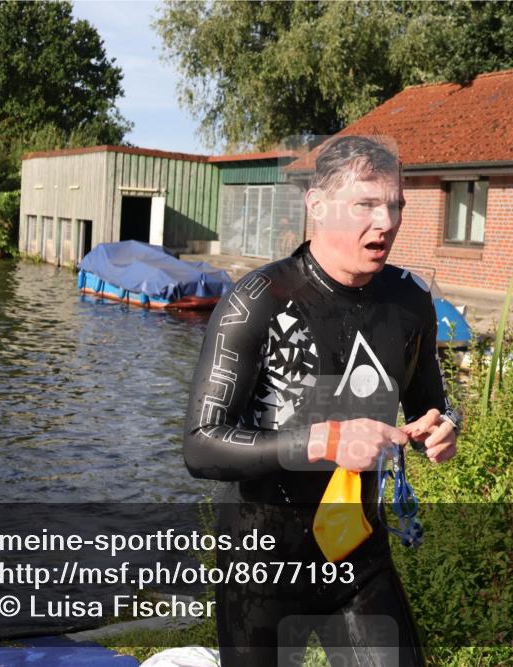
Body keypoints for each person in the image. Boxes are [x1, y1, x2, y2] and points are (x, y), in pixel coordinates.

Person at [183, 135, 459, 666]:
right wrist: (324, 440)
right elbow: (201, 446)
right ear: (317, 205)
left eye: (395, 205)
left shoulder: (410, 300)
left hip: (357, 554)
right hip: (261, 563)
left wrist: (443, 428)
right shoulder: (258, 301)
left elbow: (433, 404)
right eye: (366, 204)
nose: (386, 222)